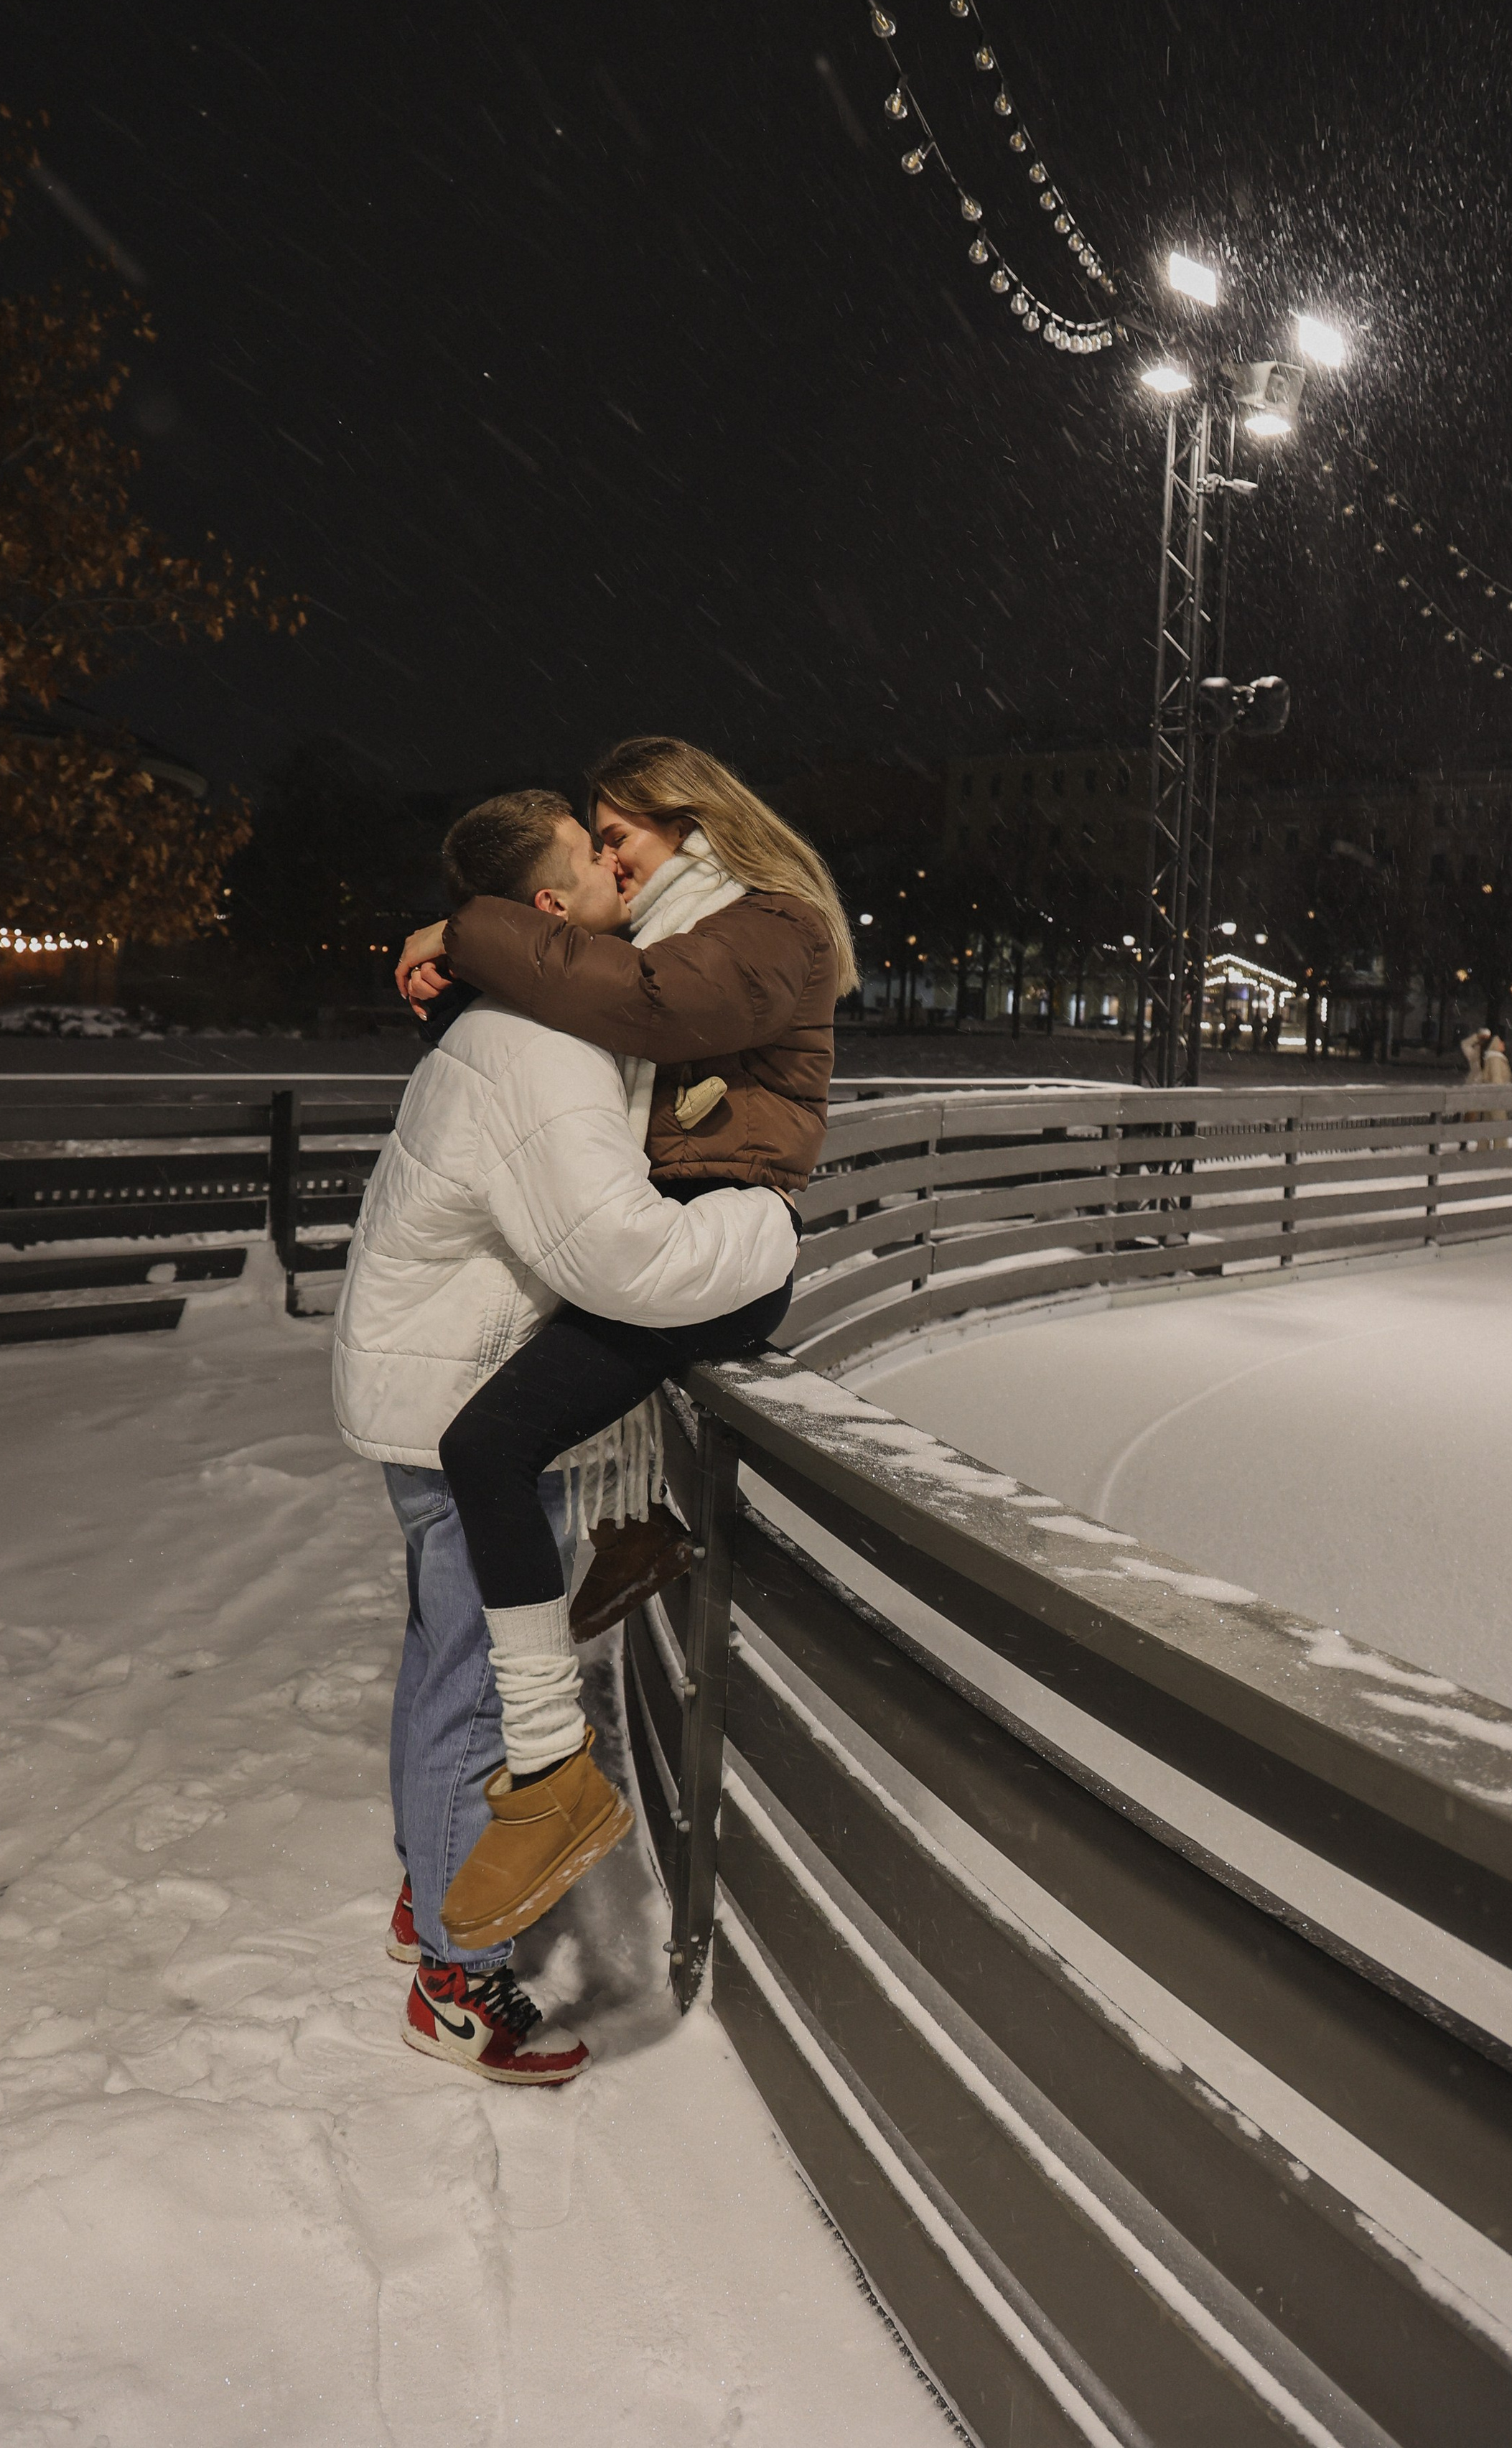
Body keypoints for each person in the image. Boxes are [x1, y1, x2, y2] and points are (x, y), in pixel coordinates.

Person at [334, 787, 797, 2084]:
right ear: (550, 910)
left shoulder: (520, 1013)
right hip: (454, 1404)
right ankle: (457, 1985)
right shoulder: (539, 1047)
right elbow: (617, 1256)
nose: (616, 869)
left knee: (445, 1667)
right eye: (594, 860)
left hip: (420, 1383)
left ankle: (429, 1912)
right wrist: (763, 1228)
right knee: (477, 1691)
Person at [394, 735, 853, 1949]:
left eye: (619, 836)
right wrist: (463, 947)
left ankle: (553, 1775)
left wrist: (469, 927)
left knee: (486, 1445)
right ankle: (635, 1532)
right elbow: (577, 981)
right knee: (504, 1438)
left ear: (690, 820)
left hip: (721, 1248)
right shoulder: (683, 925)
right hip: (683, 1234)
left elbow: (650, 1010)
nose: (608, 860)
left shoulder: (774, 923)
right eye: (594, 846)